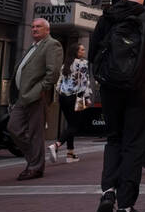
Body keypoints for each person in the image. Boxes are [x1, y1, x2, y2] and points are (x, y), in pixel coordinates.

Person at [90, 0, 145, 212]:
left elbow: (93, 53)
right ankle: (126, 207)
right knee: (133, 144)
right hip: (137, 88)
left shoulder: (107, 17)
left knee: (114, 139)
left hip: (110, 88)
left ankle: (107, 192)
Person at [7, 17, 63, 180]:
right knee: (13, 128)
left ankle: (35, 167)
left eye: (38, 27)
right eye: (32, 27)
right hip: (22, 96)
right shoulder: (33, 47)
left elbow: (52, 73)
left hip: (36, 96)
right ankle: (35, 160)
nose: (34, 29)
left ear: (47, 30)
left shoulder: (52, 45)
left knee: (35, 133)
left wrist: (40, 90)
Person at [49, 43, 90, 163]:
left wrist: (62, 93)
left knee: (70, 124)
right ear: (76, 52)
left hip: (63, 98)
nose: (84, 51)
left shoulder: (65, 65)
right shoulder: (83, 64)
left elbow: (58, 84)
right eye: (81, 49)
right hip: (77, 98)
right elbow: (84, 83)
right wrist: (87, 98)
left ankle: (70, 154)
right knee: (75, 125)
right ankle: (56, 145)